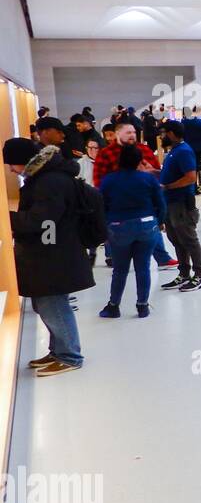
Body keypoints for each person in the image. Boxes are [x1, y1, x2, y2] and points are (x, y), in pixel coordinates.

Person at [4, 138, 93, 374]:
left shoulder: (48, 182)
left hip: (53, 254)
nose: (11, 169)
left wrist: (7, 219)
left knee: (53, 304)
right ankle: (59, 351)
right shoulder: (47, 178)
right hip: (53, 250)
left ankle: (70, 356)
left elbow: (42, 221)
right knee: (47, 304)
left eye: (12, 164)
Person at [98, 143, 165, 318]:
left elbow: (101, 206)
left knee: (120, 269)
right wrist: (160, 222)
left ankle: (114, 306)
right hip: (147, 225)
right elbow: (161, 203)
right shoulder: (148, 179)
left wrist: (104, 227)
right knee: (143, 267)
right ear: (138, 160)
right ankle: (142, 306)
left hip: (118, 227)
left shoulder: (109, 180)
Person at [158, 120, 201, 291]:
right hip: (170, 202)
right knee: (176, 240)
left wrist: (168, 186)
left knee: (189, 239)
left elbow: (191, 178)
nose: (162, 137)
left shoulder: (184, 151)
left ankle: (200, 275)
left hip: (181, 203)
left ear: (171, 133)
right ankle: (184, 273)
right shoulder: (174, 151)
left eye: (164, 133)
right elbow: (171, 174)